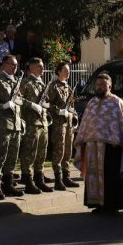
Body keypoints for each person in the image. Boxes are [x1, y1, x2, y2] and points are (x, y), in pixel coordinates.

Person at [75, 72, 123, 215]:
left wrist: (119, 140)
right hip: (91, 145)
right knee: (93, 175)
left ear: (110, 86)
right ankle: (97, 204)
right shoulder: (92, 102)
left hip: (111, 146)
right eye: (98, 85)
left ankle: (112, 205)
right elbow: (85, 123)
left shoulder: (117, 102)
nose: (100, 87)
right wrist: (81, 139)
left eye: (103, 85)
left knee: (110, 176)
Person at [0, 54, 24, 199]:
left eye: (16, 65)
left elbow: (19, 99)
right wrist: (2, 106)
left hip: (15, 124)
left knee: (12, 157)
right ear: (3, 65)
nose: (14, 67)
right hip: (2, 124)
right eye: (11, 64)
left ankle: (8, 185)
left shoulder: (15, 81)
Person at [18, 57, 53, 194]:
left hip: (43, 122)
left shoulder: (42, 83)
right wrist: (31, 105)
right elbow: (18, 99)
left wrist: (46, 105)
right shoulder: (25, 82)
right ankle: (28, 181)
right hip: (31, 123)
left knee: (41, 153)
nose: (42, 69)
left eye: (42, 66)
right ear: (31, 68)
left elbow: (46, 100)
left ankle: (39, 179)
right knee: (29, 153)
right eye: (39, 66)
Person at [45, 61, 79, 191]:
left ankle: (66, 176)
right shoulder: (53, 86)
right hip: (59, 124)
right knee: (59, 150)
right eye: (65, 70)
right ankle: (58, 179)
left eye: (68, 70)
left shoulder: (69, 88)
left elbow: (72, 106)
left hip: (69, 123)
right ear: (59, 71)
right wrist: (57, 110)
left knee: (68, 151)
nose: (68, 72)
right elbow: (46, 103)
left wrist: (74, 117)